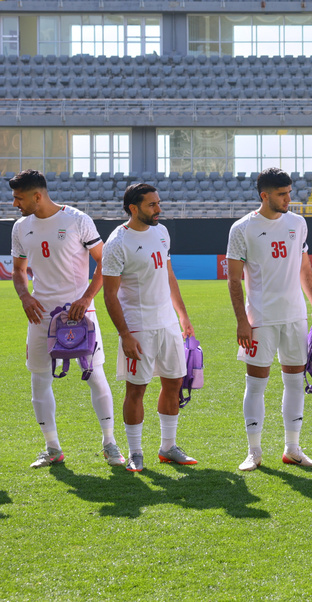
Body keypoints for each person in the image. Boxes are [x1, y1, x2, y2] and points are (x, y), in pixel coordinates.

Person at [9, 170, 124, 468]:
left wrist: (86, 298)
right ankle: (52, 448)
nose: (14, 204)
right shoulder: (20, 228)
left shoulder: (77, 220)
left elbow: (105, 263)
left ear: (37, 196)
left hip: (80, 315)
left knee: (95, 375)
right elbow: (19, 272)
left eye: (18, 198)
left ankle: (110, 443)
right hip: (40, 316)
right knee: (39, 378)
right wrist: (24, 296)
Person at [227, 168, 312, 472]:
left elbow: (304, 267)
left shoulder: (297, 223)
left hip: (294, 317)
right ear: (264, 196)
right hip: (261, 319)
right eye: (282, 194)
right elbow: (233, 280)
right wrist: (242, 321)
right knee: (256, 384)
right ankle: (253, 451)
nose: (288, 199)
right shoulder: (242, 228)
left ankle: (292, 448)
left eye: (289, 192)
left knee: (295, 382)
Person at [102, 183, 196, 472]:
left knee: (174, 383)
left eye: (158, 203)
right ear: (134, 208)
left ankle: (168, 447)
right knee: (136, 390)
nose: (159, 209)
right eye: (152, 205)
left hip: (167, 324)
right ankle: (135, 452)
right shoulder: (117, 243)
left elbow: (168, 275)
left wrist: (182, 315)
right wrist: (125, 335)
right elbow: (109, 295)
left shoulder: (161, 232)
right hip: (139, 328)